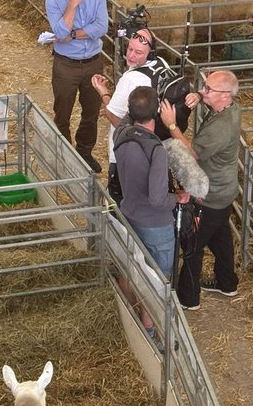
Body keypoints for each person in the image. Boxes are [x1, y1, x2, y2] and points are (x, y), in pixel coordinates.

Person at [160, 69, 241, 310]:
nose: (204, 90)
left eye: (208, 89)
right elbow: (210, 96)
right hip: (225, 189)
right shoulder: (231, 107)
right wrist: (198, 95)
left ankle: (189, 298)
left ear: (225, 95)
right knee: (221, 235)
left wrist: (171, 124)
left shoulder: (221, 128)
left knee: (193, 246)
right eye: (204, 86)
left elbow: (193, 152)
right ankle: (227, 283)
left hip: (210, 192)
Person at [114, 86, 190, 279]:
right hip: (155, 224)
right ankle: (149, 310)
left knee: (131, 268)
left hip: (129, 214)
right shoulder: (156, 149)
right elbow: (157, 199)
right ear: (157, 112)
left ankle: (129, 308)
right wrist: (177, 198)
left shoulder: (121, 134)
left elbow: (127, 116)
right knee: (158, 279)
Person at [45, 0, 109, 173]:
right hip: (66, 65)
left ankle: (84, 152)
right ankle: (65, 155)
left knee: (91, 111)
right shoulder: (53, 0)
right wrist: (71, 5)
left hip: (93, 62)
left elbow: (101, 28)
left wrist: (71, 34)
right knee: (62, 110)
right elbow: (59, 32)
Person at [92, 26, 157, 200]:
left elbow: (113, 116)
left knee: (120, 202)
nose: (131, 55)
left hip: (126, 149)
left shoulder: (130, 79)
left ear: (149, 53)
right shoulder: (160, 67)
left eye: (138, 52)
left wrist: (104, 92)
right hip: (152, 146)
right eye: (129, 49)